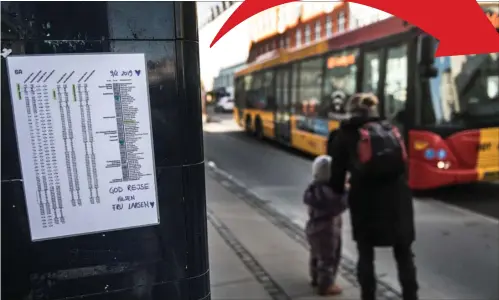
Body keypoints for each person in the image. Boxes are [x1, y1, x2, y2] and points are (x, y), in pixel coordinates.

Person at [327, 93, 419, 300]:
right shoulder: (391, 129)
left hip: (365, 200)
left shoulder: (344, 134)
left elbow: (336, 178)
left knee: (366, 254)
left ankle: (368, 296)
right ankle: (411, 296)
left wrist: (338, 196)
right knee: (404, 254)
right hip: (398, 199)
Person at [304, 155, 348, 296]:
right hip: (328, 229)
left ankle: (315, 278)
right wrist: (347, 191)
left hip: (313, 227)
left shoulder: (314, 188)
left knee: (316, 255)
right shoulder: (331, 193)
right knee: (329, 258)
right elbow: (340, 205)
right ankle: (326, 285)